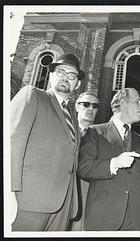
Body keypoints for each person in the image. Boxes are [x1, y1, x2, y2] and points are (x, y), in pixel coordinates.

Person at [10, 53, 84, 231]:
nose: (65, 77)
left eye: (71, 74)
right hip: (29, 200)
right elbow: (11, 144)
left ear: (77, 84)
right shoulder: (32, 96)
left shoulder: (73, 117)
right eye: (60, 71)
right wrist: (8, 191)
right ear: (51, 75)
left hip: (64, 206)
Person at [78, 88, 140, 231]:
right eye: (137, 102)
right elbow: (83, 168)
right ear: (123, 104)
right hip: (104, 218)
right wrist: (114, 163)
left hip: (136, 221)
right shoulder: (95, 132)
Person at [70, 92, 100, 231]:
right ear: (77, 106)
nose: (90, 109)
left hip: (86, 198)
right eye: (86, 104)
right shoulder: (65, 130)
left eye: (94, 106)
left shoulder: (101, 137)